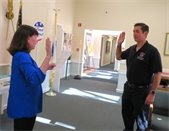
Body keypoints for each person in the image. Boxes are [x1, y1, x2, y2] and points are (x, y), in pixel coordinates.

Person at [7, 25, 56, 131]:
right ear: (27, 39)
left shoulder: (23, 55)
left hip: (27, 104)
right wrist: (48, 55)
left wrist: (46, 67)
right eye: (35, 36)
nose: (37, 40)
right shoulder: (21, 56)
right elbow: (35, 78)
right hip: (23, 105)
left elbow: (30, 73)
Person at [116, 23, 162, 130]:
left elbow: (158, 73)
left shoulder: (152, 51)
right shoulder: (132, 49)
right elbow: (118, 56)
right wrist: (119, 44)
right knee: (126, 114)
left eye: (137, 31)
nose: (134, 33)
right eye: (133, 31)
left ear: (145, 33)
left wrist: (152, 93)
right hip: (129, 88)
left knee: (141, 119)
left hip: (142, 91)